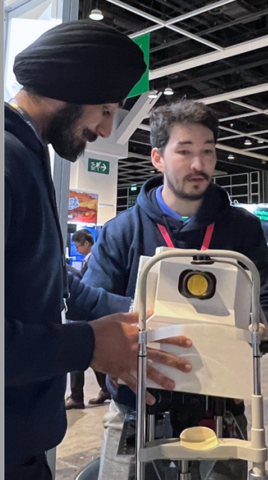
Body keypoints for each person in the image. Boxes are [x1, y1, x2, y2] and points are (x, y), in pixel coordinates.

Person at [5, 22, 193, 480]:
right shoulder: (7, 160)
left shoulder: (25, 155)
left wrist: (137, 316)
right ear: (69, 89)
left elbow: (48, 278)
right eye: (106, 109)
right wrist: (88, 344)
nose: (107, 128)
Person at [83, 99, 268, 480]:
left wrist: (261, 330)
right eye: (184, 152)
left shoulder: (243, 230)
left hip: (222, 406)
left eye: (208, 152)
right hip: (137, 406)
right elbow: (92, 306)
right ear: (157, 158)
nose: (199, 165)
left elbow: (265, 298)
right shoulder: (123, 231)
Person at [65, 229, 111, 409]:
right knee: (91, 353)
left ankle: (77, 397)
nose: (77, 249)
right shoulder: (88, 261)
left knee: (77, 352)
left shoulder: (95, 261)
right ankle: (105, 388)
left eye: (78, 245)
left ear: (87, 244)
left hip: (88, 314)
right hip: (87, 314)